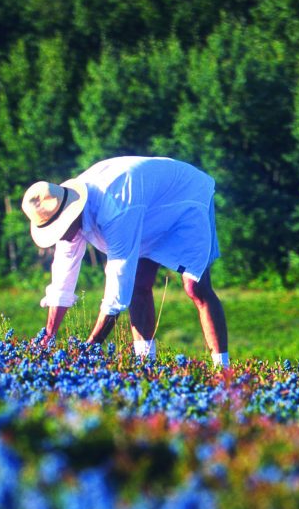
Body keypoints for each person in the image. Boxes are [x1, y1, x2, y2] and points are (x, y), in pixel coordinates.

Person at [21, 155, 229, 365]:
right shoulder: (64, 217)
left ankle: (222, 368)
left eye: (59, 229)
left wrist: (91, 346)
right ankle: (146, 363)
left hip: (184, 196)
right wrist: (49, 335)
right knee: (140, 284)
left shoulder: (115, 209)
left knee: (195, 287)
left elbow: (117, 290)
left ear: (70, 215)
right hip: (145, 206)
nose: (60, 236)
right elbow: (62, 280)